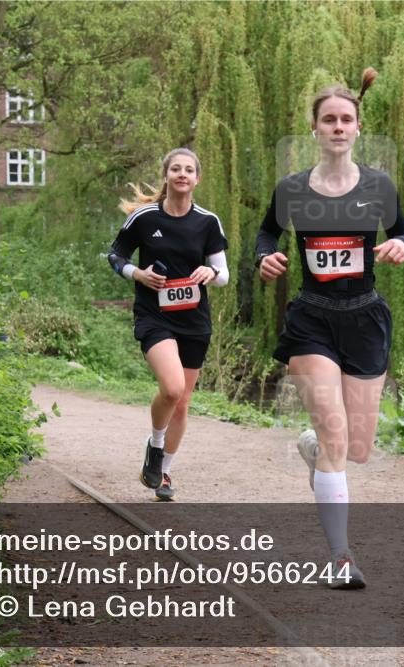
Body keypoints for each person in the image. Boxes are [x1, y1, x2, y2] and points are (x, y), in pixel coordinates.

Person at [255, 68, 404, 588]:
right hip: (312, 318)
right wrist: (265, 258)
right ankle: (341, 557)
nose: (339, 127)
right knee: (334, 432)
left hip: (365, 318)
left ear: (358, 127)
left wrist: (400, 245)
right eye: (329, 119)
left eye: (347, 119)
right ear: (315, 129)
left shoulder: (378, 185)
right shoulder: (292, 189)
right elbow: (265, 236)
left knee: (357, 449)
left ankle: (313, 448)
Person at [107, 148, 229, 501]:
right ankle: (156, 445)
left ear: (197, 178)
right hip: (154, 316)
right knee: (172, 389)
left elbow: (224, 274)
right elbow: (115, 256)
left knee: (183, 402)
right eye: (176, 168)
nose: (182, 174)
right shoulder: (145, 218)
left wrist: (211, 271)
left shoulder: (208, 221)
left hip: (194, 319)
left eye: (189, 170)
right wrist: (137, 274)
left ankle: (163, 472)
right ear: (166, 175)